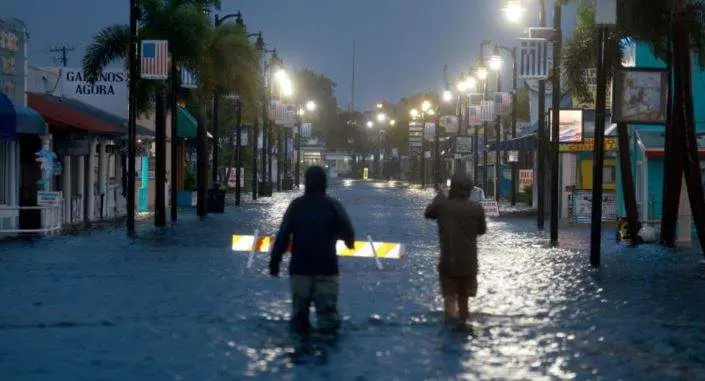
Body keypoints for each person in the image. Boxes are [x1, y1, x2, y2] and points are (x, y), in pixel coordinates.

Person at [269, 165, 355, 336]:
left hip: (300, 271)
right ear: (325, 184)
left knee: (299, 320)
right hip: (327, 270)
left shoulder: (296, 206)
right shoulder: (333, 206)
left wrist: (275, 262)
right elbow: (348, 232)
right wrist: (348, 242)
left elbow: (283, 236)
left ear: (306, 182)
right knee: (328, 319)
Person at [424, 172, 487, 325]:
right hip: (469, 264)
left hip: (449, 262)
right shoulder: (476, 208)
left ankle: (451, 324)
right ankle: (462, 324)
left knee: (450, 298)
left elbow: (428, 213)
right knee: (464, 301)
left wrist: (441, 195)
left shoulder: (444, 206)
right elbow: (481, 230)